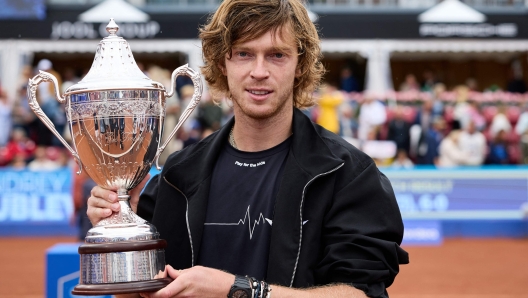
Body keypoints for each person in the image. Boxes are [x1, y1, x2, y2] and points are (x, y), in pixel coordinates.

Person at [87, 1, 408, 297]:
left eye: (277, 55)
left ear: (300, 63)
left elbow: (360, 293)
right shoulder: (177, 176)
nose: (259, 71)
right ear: (222, 62)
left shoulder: (347, 174)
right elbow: (140, 293)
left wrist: (239, 290)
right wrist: (118, 233)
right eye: (243, 53)